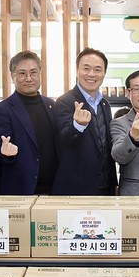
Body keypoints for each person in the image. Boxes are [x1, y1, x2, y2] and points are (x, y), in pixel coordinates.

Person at [0, 51, 58, 195]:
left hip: (53, 190)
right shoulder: (2, 109)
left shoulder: (51, 105)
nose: (29, 78)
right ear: (12, 76)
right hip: (21, 190)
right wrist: (6, 153)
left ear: (40, 73)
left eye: (33, 72)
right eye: (22, 73)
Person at [51, 48, 117, 195]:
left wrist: (114, 182)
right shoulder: (64, 101)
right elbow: (64, 138)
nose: (91, 74)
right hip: (77, 187)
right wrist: (78, 126)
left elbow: (105, 145)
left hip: (105, 186)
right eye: (86, 68)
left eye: (97, 69)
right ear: (77, 71)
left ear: (104, 73)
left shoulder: (105, 104)